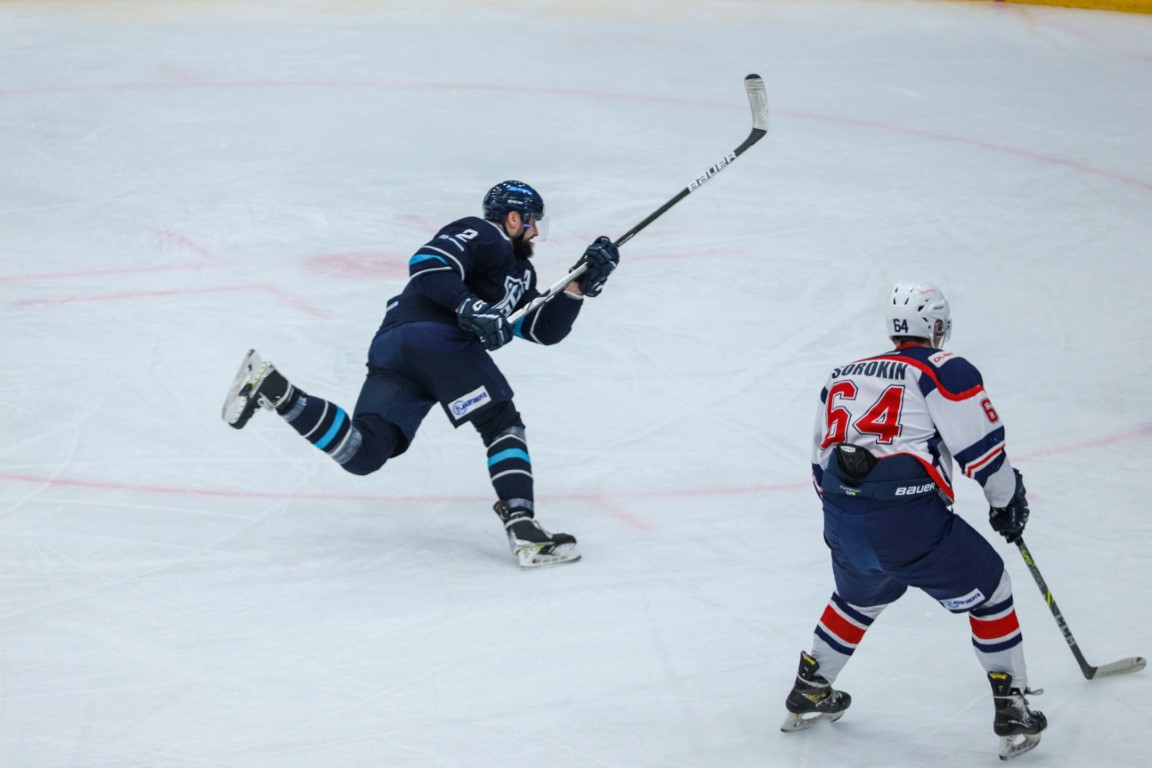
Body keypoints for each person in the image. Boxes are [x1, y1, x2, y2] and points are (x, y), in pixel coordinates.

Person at [221, 180, 619, 568]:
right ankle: (523, 527)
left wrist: (577, 286)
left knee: (364, 452)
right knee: (500, 422)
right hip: (436, 340)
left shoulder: (519, 274)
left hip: (396, 351)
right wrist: (468, 306)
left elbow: (541, 329)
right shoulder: (481, 232)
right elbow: (427, 264)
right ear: (512, 219)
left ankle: (276, 390)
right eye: (532, 222)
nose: (535, 232)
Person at [780, 282, 1047, 760]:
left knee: (860, 594)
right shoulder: (944, 369)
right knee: (992, 591)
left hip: (841, 516)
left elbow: (821, 464)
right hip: (906, 520)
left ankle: (811, 684)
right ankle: (1013, 706)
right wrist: (1006, 500)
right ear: (938, 326)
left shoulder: (843, 373)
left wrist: (852, 516)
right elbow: (982, 454)